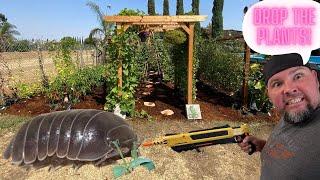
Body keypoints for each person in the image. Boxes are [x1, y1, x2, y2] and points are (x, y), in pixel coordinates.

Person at [238, 53, 320, 179]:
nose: (288, 89)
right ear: (269, 94)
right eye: (277, 84)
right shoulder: (291, 113)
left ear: (315, 78)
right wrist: (262, 146)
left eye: (298, 76)